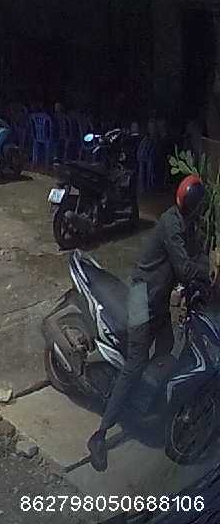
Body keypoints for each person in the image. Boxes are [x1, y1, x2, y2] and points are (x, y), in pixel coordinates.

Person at [87, 174, 212, 472]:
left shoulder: (187, 224)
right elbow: (185, 266)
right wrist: (205, 274)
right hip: (141, 298)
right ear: (195, 206)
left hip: (158, 299)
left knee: (168, 347)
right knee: (136, 363)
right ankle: (100, 435)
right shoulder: (171, 225)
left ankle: (145, 400)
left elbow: (196, 256)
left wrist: (203, 274)